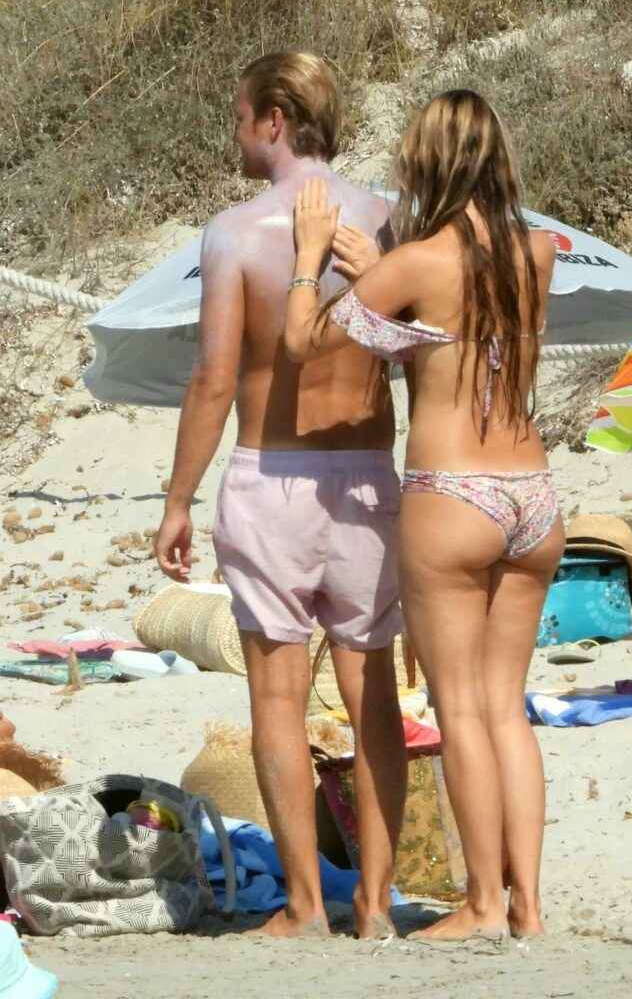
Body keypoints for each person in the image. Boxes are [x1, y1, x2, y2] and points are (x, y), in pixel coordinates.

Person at [285, 88, 564, 942]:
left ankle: (479, 904)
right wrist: (385, 273)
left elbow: (305, 340)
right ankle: (526, 906)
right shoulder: (538, 252)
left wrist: (312, 263)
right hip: (532, 494)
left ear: (425, 163)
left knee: (461, 708)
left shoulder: (415, 263)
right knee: (506, 707)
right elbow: (462, 335)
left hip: (452, 493)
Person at [155, 51, 407, 940]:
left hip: (271, 474)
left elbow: (213, 379)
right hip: (367, 473)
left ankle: (304, 904)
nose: (235, 135)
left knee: (275, 696)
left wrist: (177, 500)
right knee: (372, 693)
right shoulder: (387, 219)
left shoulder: (234, 233)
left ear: (272, 118)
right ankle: (375, 902)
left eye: (239, 117)